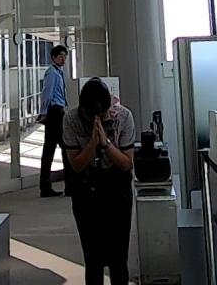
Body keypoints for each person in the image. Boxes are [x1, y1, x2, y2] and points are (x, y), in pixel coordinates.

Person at [62, 78, 136, 285]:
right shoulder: (71, 120)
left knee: (118, 259)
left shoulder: (123, 116)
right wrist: (92, 143)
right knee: (93, 259)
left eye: (103, 115)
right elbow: (76, 165)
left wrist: (106, 143)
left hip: (117, 189)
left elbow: (126, 163)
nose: (98, 120)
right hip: (86, 189)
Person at [38, 44, 69, 197]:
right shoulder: (52, 73)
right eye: (60, 56)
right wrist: (44, 113)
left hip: (58, 111)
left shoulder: (58, 72)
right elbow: (47, 93)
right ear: (53, 58)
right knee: (62, 147)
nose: (63, 59)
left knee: (52, 148)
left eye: (65, 56)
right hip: (54, 112)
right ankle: (66, 184)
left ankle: (46, 185)